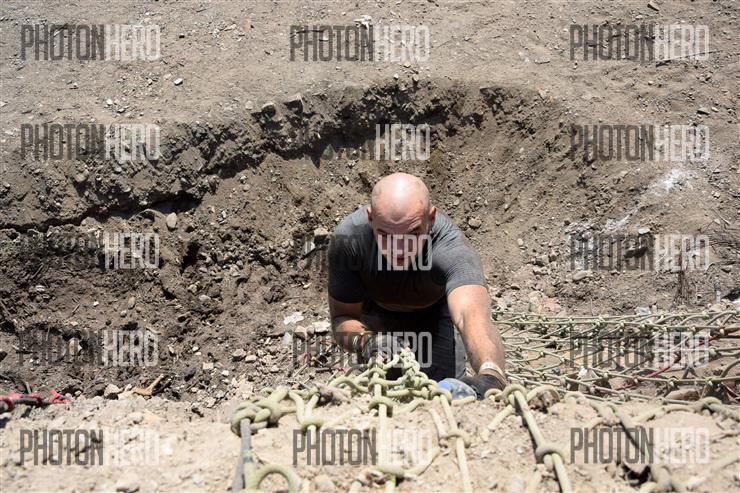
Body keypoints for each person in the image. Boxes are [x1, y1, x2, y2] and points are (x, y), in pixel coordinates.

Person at [327, 172, 507, 398]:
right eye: (385, 235)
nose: (399, 249)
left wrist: (491, 375)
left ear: (430, 219)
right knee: (384, 394)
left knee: (446, 393)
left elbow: (470, 316)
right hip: (375, 314)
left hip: (434, 313)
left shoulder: (450, 248)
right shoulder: (349, 242)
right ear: (370, 219)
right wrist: (367, 341)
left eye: (412, 233)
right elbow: (342, 317)